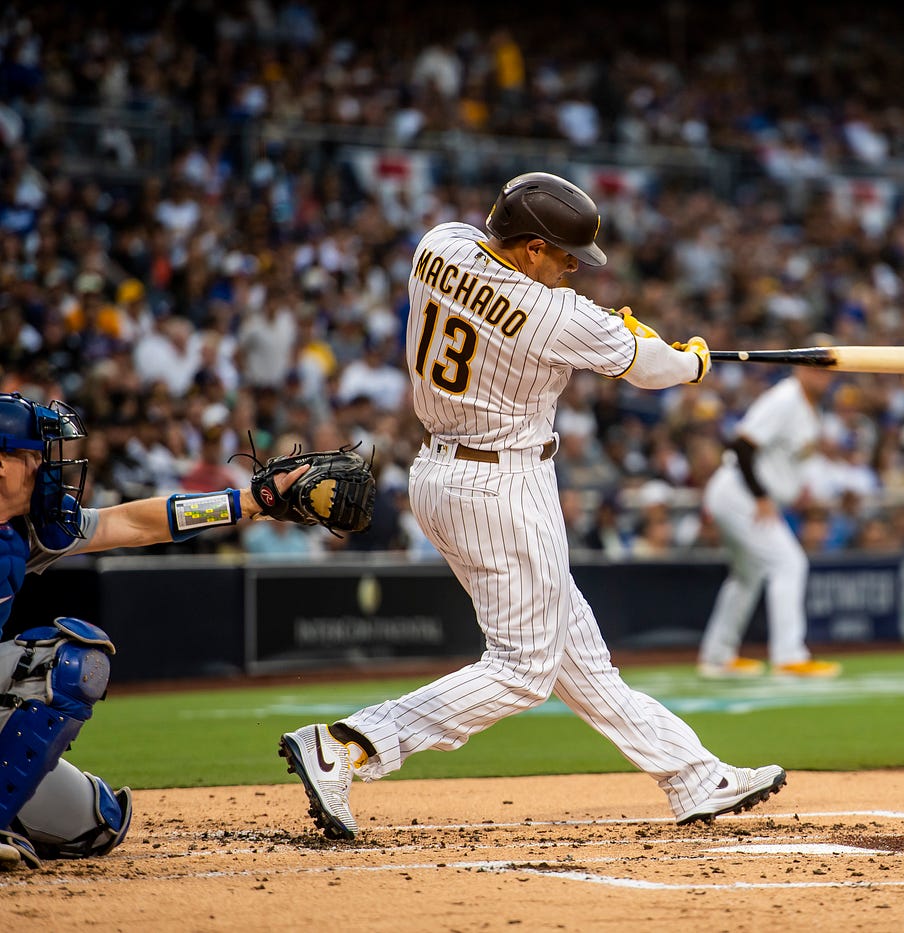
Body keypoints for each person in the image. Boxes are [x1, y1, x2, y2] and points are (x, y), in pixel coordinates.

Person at [278, 172, 787, 841]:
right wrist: (689, 360)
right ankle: (349, 745)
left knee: (577, 653)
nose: (573, 268)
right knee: (522, 670)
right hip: (503, 486)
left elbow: (567, 320)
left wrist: (623, 336)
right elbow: (655, 369)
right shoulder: (557, 314)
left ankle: (691, 774)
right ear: (527, 249)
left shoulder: (440, 244)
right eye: (563, 254)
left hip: (440, 473)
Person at [0, 392, 309, 870]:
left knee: (96, 822)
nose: (47, 467)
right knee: (67, 662)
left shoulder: (26, 529)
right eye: (32, 455)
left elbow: (134, 522)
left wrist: (248, 502)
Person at [695, 346, 843, 679]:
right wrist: (762, 496)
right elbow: (743, 444)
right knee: (789, 563)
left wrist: (792, 491)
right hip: (739, 492)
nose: (824, 375)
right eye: (818, 367)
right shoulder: (786, 398)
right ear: (801, 369)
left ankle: (717, 656)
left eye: (828, 369)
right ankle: (789, 656)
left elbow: (782, 460)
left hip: (742, 494)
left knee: (747, 575)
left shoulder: (809, 408)